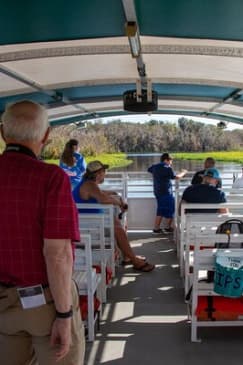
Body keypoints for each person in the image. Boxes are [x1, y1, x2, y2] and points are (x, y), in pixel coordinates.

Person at [0, 101, 85, 365]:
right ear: (46, 136)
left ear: (3, 133)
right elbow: (57, 254)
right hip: (46, 303)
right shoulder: (51, 178)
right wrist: (63, 315)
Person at [73, 160, 155, 272]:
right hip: (89, 226)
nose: (105, 174)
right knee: (117, 228)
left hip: (86, 220)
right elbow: (103, 199)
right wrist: (120, 203)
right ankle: (134, 261)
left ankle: (127, 257)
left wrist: (114, 193)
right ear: (98, 174)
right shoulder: (90, 185)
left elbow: (99, 193)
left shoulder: (87, 183)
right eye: (104, 171)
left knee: (115, 222)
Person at [148, 153, 187, 234]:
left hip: (157, 191)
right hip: (166, 192)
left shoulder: (155, 166)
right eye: (170, 161)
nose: (171, 163)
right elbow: (176, 177)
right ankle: (167, 228)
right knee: (171, 209)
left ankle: (157, 229)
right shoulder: (167, 168)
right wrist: (183, 172)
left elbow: (149, 170)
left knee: (160, 210)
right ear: (166, 160)